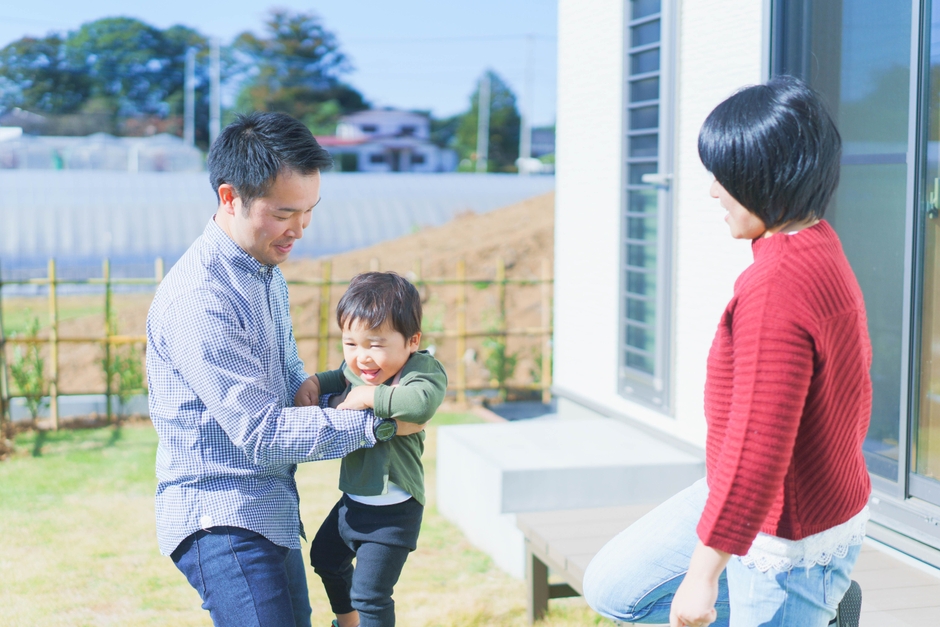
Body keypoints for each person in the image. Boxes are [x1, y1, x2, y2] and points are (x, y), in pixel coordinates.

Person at [582, 76, 872, 627]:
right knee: (615, 586)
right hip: (761, 492)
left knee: (683, 601)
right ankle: (826, 606)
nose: (714, 191)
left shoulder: (778, 283)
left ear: (766, 178)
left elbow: (758, 449)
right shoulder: (817, 242)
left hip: (787, 529)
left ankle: (821, 609)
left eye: (724, 176)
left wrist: (702, 575)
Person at [146, 112, 424, 627]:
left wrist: (372, 388)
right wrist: (381, 421)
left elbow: (290, 390)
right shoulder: (201, 301)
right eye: (284, 213)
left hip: (268, 509)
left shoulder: (262, 271)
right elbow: (263, 432)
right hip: (224, 519)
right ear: (230, 198)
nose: (299, 229)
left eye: (309, 211)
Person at [299, 271, 447, 627]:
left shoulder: (422, 372)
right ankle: (347, 623)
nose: (362, 357)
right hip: (354, 503)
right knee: (325, 558)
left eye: (375, 344)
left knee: (371, 595)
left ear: (412, 341)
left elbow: (419, 405)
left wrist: (368, 396)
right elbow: (341, 376)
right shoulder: (361, 372)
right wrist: (316, 381)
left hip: (393, 515)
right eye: (351, 344)